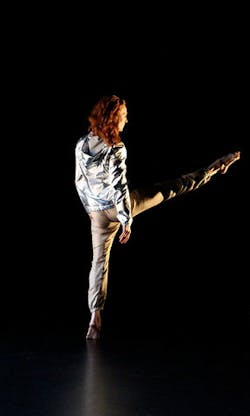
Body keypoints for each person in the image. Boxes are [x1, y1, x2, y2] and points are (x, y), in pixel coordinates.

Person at [75, 95, 240, 340]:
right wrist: (126, 220)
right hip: (117, 208)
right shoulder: (116, 149)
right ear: (113, 118)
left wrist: (89, 208)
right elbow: (119, 187)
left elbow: (80, 181)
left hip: (96, 214)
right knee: (169, 189)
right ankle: (213, 169)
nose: (127, 120)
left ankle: (94, 318)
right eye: (124, 116)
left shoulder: (82, 144)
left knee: (98, 264)